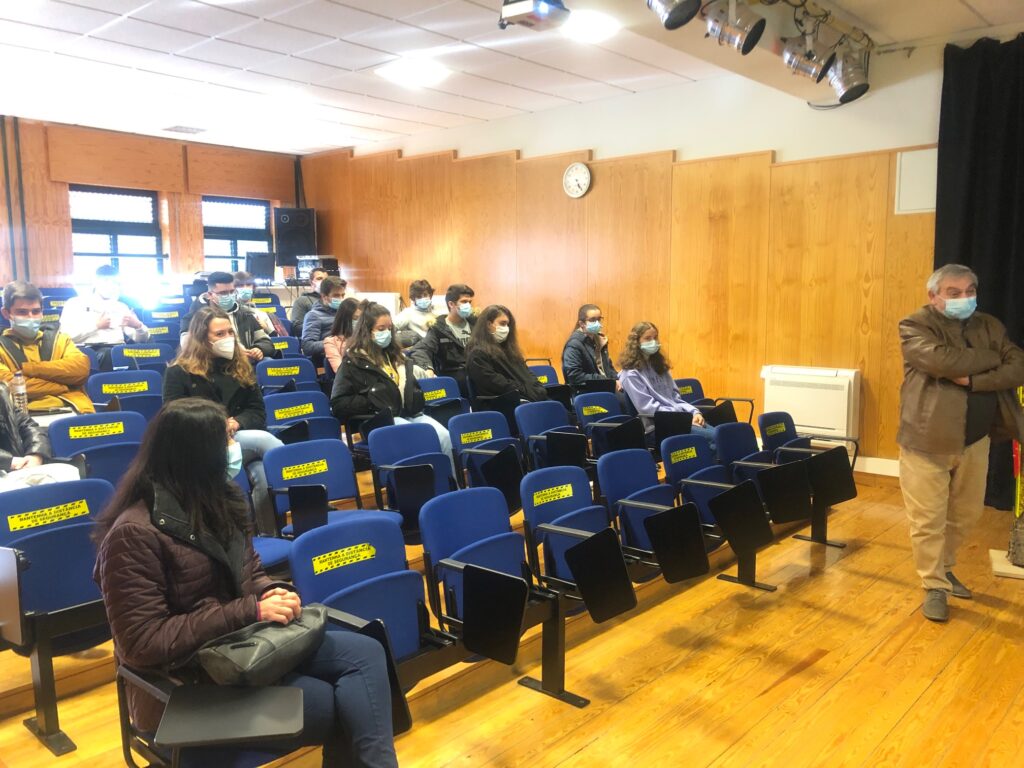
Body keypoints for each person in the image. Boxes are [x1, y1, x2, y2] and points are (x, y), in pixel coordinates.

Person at [93, 398, 398, 767]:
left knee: (367, 652)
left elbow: (249, 571)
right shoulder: (133, 534)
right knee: (338, 703)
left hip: (242, 649)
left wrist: (269, 590)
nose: (234, 446)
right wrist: (250, 610)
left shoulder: (220, 498)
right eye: (226, 438)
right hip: (185, 681)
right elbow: (142, 643)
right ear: (197, 453)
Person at [898, 264, 1024, 622]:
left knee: (966, 514)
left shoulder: (990, 326)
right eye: (954, 293)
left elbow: (1018, 366)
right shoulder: (915, 325)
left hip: (976, 439)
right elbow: (941, 361)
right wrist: (992, 358)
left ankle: (945, 567)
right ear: (933, 296)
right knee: (928, 519)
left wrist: (973, 380)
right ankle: (934, 585)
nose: (964, 298)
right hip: (926, 440)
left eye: (970, 291)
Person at [163, 306, 284, 536]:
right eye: (220, 334)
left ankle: (269, 536)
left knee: (262, 473)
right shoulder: (178, 372)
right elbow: (173, 419)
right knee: (266, 441)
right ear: (201, 338)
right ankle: (301, 492)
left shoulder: (241, 365)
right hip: (201, 443)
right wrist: (216, 424)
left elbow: (257, 412)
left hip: (237, 435)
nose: (228, 338)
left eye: (230, 332)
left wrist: (236, 422)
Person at [331, 302, 453, 465]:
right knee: (418, 437)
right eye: (381, 329)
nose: (387, 333)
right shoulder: (353, 362)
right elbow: (338, 404)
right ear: (366, 331)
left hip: (409, 414)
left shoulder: (398, 357)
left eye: (389, 328)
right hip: (377, 419)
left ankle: (450, 479)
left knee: (445, 438)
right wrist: (372, 401)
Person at [617, 321, 716, 448]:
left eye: (655, 337)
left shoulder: (659, 367)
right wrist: (683, 418)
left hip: (679, 419)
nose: (653, 342)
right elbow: (647, 408)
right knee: (713, 440)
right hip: (657, 428)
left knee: (721, 435)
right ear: (636, 342)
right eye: (648, 338)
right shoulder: (630, 374)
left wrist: (694, 412)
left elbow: (675, 399)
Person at [0, 281, 93, 414]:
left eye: (36, 311)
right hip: (24, 415)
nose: (31, 317)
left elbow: (80, 370)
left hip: (73, 408)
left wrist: (27, 369)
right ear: (6, 313)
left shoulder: (60, 339)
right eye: (22, 312)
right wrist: (64, 385)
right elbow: (9, 385)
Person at [58, 265, 149, 370]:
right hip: (86, 351)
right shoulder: (74, 303)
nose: (111, 285)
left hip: (118, 349)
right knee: (109, 354)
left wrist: (138, 326)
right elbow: (65, 336)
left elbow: (142, 339)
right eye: (106, 281)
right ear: (95, 282)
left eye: (115, 282)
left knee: (141, 354)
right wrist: (97, 326)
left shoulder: (121, 307)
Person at [180, 272, 278, 362]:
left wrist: (259, 349)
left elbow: (266, 341)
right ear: (210, 295)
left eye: (232, 292)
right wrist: (234, 352)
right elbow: (188, 348)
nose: (229, 296)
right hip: (212, 364)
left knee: (268, 361)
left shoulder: (246, 314)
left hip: (246, 362)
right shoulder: (193, 318)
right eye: (223, 293)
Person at [465, 305, 547, 403]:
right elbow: (496, 384)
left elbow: (527, 375)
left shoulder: (510, 351)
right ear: (488, 324)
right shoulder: (477, 354)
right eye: (503, 324)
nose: (506, 329)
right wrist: (527, 391)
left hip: (526, 397)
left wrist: (538, 389)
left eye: (508, 325)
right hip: (503, 403)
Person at [408, 284, 476, 397]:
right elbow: (421, 350)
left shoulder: (476, 324)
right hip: (454, 378)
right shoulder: (439, 328)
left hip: (477, 375)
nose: (468, 305)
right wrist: (428, 368)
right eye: (464, 302)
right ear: (451, 304)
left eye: (470, 302)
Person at [562, 303, 619, 391]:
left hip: (605, 387)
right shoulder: (574, 344)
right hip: (585, 391)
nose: (597, 323)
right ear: (582, 323)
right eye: (592, 320)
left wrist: (617, 379)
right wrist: (606, 381)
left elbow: (609, 368)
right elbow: (575, 376)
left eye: (599, 319)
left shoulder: (601, 341)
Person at [301, 276, 347, 360]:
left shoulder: (346, 313)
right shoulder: (313, 316)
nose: (341, 299)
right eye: (336, 295)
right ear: (324, 296)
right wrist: (334, 343)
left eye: (342, 295)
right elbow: (308, 347)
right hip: (327, 358)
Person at [323, 298, 361, 375]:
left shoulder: (367, 338)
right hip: (349, 379)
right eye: (355, 318)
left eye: (361, 319)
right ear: (345, 319)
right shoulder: (331, 342)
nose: (359, 322)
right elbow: (340, 371)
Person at [233, 271, 275, 335]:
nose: (245, 288)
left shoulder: (261, 314)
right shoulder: (231, 313)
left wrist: (265, 327)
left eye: (248, 285)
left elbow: (274, 337)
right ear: (234, 288)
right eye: (241, 285)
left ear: (253, 287)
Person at [289, 267, 329, 333]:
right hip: (314, 336)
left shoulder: (331, 300)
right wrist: (321, 327)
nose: (324, 282)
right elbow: (296, 327)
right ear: (311, 282)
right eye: (319, 278)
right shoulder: (302, 301)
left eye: (326, 279)